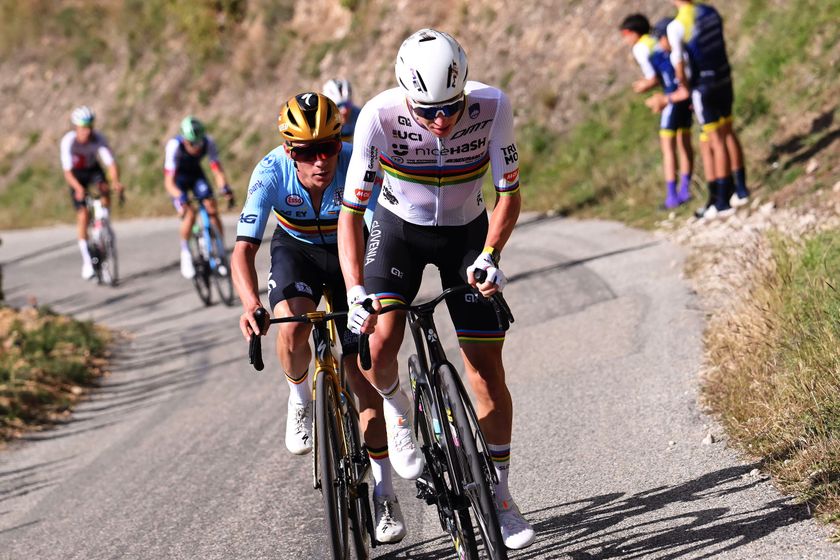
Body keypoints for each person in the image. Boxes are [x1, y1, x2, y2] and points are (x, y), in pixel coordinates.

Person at [337, 28, 536, 550]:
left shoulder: (493, 107)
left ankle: (501, 495)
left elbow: (509, 194)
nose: (441, 121)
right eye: (426, 112)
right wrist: (355, 289)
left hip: (466, 233)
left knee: (487, 370)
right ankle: (400, 408)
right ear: (405, 95)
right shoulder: (377, 116)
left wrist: (491, 256)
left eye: (451, 106)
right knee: (377, 345)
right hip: (398, 231)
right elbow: (351, 213)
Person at [231, 93, 403, 543]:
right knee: (290, 325)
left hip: (349, 250)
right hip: (298, 253)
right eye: (306, 151)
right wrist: (251, 302)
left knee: (360, 372)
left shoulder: (356, 162)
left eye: (328, 146)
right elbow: (243, 250)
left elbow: (386, 221)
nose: (320, 160)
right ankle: (300, 400)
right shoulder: (270, 172)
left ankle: (385, 492)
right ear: (290, 151)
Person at [647, 0, 750, 218]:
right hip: (724, 77)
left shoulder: (676, 26)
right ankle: (740, 189)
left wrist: (681, 91)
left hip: (703, 86)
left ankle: (721, 201)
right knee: (728, 132)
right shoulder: (710, 11)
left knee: (715, 141)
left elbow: (680, 67)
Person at [620, 14, 693, 209]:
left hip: (671, 95)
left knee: (668, 147)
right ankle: (686, 189)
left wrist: (643, 86)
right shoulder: (656, 39)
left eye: (624, 34)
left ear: (633, 32)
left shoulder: (640, 48)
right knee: (684, 141)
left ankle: (672, 196)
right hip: (684, 91)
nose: (624, 39)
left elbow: (653, 77)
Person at [164, 116, 235, 279]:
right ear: (184, 139)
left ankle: (220, 251)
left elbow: (217, 169)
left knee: (211, 206)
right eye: (191, 143)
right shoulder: (174, 146)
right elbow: (169, 181)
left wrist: (224, 187)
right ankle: (185, 252)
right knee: (189, 214)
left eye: (198, 143)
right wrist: (179, 196)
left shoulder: (208, 142)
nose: (196, 147)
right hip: (178, 180)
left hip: (196, 176)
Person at [60, 106, 124, 279]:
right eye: (83, 128)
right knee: (83, 215)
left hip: (93, 170)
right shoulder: (69, 141)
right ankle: (87, 260)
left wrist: (116, 182)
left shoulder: (98, 138)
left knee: (104, 189)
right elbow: (67, 172)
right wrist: (79, 189)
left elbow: (110, 163)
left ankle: (104, 222)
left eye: (90, 127)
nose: (87, 132)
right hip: (76, 175)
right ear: (76, 128)